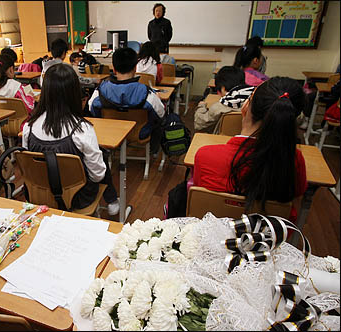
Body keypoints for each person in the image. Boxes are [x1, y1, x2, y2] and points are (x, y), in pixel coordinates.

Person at [193, 77, 307, 219]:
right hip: (267, 237)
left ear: (245, 107)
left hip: (212, 234)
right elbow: (295, 198)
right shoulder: (294, 160)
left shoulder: (205, 156)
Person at [23, 63, 120, 215]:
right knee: (100, 158)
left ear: (45, 91)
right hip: (77, 199)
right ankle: (113, 200)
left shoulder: (28, 127)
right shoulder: (82, 129)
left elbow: (29, 165)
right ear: (74, 92)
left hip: (39, 195)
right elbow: (98, 175)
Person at [89, 47, 165, 153]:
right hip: (139, 133)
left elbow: (91, 107)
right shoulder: (146, 93)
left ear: (114, 69)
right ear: (135, 68)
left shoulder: (101, 90)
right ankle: (154, 152)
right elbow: (160, 113)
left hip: (109, 132)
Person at [194, 66, 254, 133]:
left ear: (223, 88)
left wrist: (201, 107)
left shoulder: (219, 107)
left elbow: (199, 124)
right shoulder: (257, 97)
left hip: (221, 140)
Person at [0, 54, 35, 131]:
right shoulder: (15, 86)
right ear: (11, 69)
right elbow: (30, 108)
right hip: (20, 125)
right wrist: (30, 96)